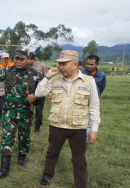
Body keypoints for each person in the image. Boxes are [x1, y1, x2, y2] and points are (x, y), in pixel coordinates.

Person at [35, 50, 101, 187]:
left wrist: (94, 129)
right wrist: (47, 76)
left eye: (64, 64)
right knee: (52, 152)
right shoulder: (55, 80)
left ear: (75, 64)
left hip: (78, 127)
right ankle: (47, 174)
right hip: (57, 125)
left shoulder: (88, 81)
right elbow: (38, 93)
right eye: (60, 64)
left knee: (79, 160)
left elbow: (94, 107)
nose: (61, 67)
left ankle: (81, 184)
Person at [0, 48, 42, 178]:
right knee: (7, 137)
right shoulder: (7, 71)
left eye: (21, 59)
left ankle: (22, 157)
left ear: (27, 60)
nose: (18, 61)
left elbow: (41, 93)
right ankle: (4, 166)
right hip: (9, 112)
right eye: (16, 59)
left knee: (24, 137)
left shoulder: (35, 74)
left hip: (25, 112)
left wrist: (35, 98)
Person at [81, 55, 106, 147]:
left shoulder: (102, 75)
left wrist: (95, 97)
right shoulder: (80, 73)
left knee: (90, 123)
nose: (89, 66)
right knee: (81, 123)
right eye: (87, 64)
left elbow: (102, 87)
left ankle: (84, 142)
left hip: (93, 103)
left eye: (92, 64)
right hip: (81, 102)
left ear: (97, 64)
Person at [28, 52, 47, 132]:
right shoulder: (26, 67)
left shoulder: (42, 66)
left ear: (33, 59)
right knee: (29, 108)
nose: (27, 61)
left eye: (28, 60)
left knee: (39, 110)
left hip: (40, 91)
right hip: (30, 90)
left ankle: (37, 126)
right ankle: (29, 123)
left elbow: (47, 77)